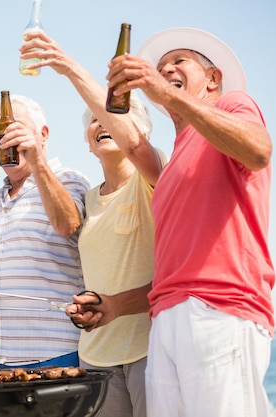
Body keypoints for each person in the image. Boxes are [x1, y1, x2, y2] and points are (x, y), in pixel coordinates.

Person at [107, 27, 274, 416]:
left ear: (213, 78)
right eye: (160, 66)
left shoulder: (232, 104)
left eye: (178, 61)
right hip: (166, 319)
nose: (166, 69)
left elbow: (260, 150)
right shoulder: (174, 164)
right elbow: (175, 270)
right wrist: (115, 304)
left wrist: (165, 92)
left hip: (219, 307)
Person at [18, 31, 166, 417]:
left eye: (117, 115)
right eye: (93, 121)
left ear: (141, 132)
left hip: (149, 349)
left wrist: (67, 67)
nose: (103, 123)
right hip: (98, 356)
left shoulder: (155, 178)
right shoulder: (88, 198)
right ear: (86, 141)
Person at [0, 94, 90, 368]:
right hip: (0, 360)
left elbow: (68, 224)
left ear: (43, 134)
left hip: (56, 353)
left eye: (17, 126)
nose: (6, 135)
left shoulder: (69, 180)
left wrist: (37, 161)